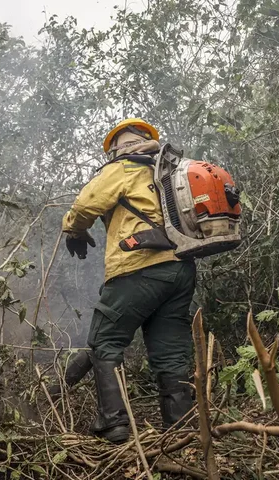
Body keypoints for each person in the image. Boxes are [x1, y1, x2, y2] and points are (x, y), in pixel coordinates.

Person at [61, 118, 195, 443]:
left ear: (117, 148)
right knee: (171, 353)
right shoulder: (168, 171)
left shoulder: (123, 168)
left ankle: (114, 424)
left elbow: (85, 205)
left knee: (106, 341)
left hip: (139, 263)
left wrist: (74, 231)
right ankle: (181, 432)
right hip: (180, 269)